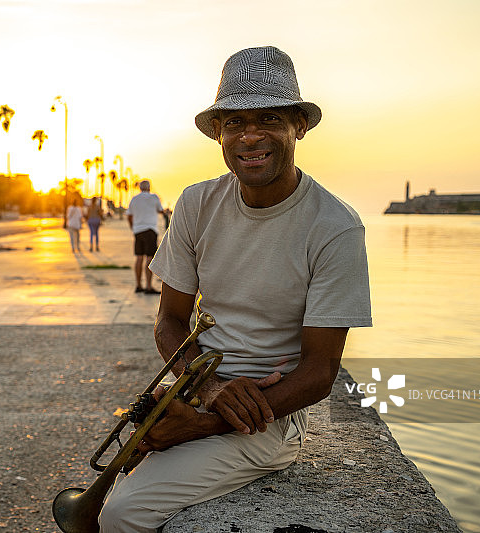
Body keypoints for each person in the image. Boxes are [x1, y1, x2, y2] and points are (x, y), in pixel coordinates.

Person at [98, 46, 372, 532]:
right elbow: (170, 320)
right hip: (201, 383)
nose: (250, 136)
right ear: (219, 133)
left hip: (273, 411)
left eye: (268, 118)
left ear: (298, 126)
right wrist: (207, 388)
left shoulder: (335, 227)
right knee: (120, 486)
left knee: (122, 512)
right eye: (234, 122)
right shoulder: (197, 202)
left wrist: (204, 424)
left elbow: (320, 372)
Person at [126, 180, 163, 294]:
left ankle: (138, 285)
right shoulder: (154, 197)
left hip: (138, 230)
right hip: (150, 230)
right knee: (149, 257)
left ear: (140, 188)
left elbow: (129, 215)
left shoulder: (134, 199)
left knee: (139, 257)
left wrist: (133, 227)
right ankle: (148, 286)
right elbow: (160, 210)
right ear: (149, 187)